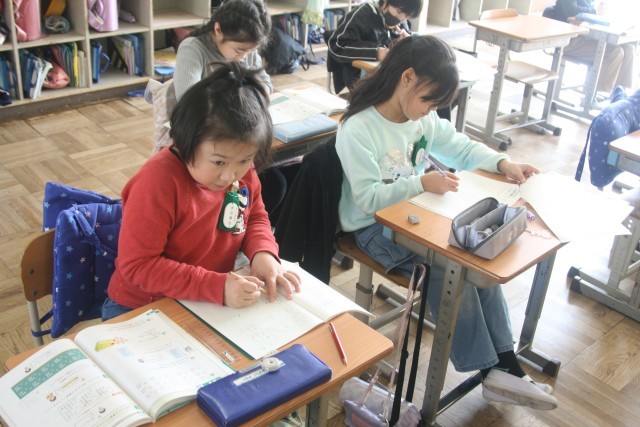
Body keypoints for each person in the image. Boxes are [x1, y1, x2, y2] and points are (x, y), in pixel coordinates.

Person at [336, 35, 558, 410]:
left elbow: (460, 146)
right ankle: (493, 370)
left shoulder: (420, 119)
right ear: (407, 78)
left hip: (413, 216)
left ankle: (505, 364)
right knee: (449, 267)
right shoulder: (359, 128)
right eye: (428, 100)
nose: (430, 111)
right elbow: (368, 199)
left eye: (436, 105)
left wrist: (503, 163)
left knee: (476, 257)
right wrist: (421, 183)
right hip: (371, 228)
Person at [103, 62, 301, 321]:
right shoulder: (156, 183)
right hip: (142, 306)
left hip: (205, 298)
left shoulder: (239, 167)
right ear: (185, 141)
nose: (230, 176)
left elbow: (254, 217)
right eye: (218, 162)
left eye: (245, 160)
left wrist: (263, 252)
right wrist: (216, 287)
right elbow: (138, 266)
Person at [172, 0, 272, 100]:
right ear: (218, 30)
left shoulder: (246, 48)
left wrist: (260, 91)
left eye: (250, 51)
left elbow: (266, 85)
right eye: (238, 51)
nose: (243, 57)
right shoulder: (192, 49)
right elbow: (188, 100)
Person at [547, 0, 635, 102]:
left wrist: (601, 11)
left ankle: (620, 95)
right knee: (614, 52)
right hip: (567, 40)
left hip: (585, 37)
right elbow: (572, 10)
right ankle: (591, 98)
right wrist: (595, 11)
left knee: (629, 49)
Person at [327, 0, 420, 94]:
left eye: (407, 16)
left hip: (387, 74)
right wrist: (375, 52)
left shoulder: (401, 19)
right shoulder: (362, 14)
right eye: (399, 12)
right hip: (359, 76)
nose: (402, 18)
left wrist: (406, 41)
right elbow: (337, 45)